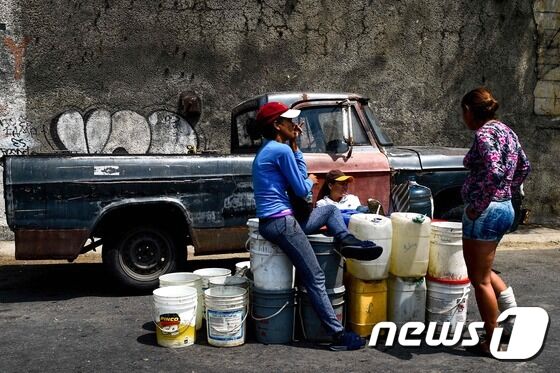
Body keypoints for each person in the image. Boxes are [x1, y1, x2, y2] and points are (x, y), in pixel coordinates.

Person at [252, 101, 383, 351]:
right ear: (277, 125)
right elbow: (302, 190)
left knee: (330, 210)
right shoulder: (280, 152)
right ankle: (338, 335)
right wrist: (310, 181)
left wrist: (295, 146)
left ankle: (346, 241)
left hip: (277, 221)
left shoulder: (270, 149)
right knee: (316, 277)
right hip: (282, 223)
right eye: (289, 121)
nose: (295, 125)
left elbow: (297, 178)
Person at [460, 87, 531, 356]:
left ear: (469, 110)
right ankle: (511, 317)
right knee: (483, 270)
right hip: (505, 209)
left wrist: (479, 205)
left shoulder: (484, 134)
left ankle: (492, 341)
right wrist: (507, 193)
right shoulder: (507, 132)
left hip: (486, 212)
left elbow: (494, 170)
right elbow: (524, 167)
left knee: (478, 280)